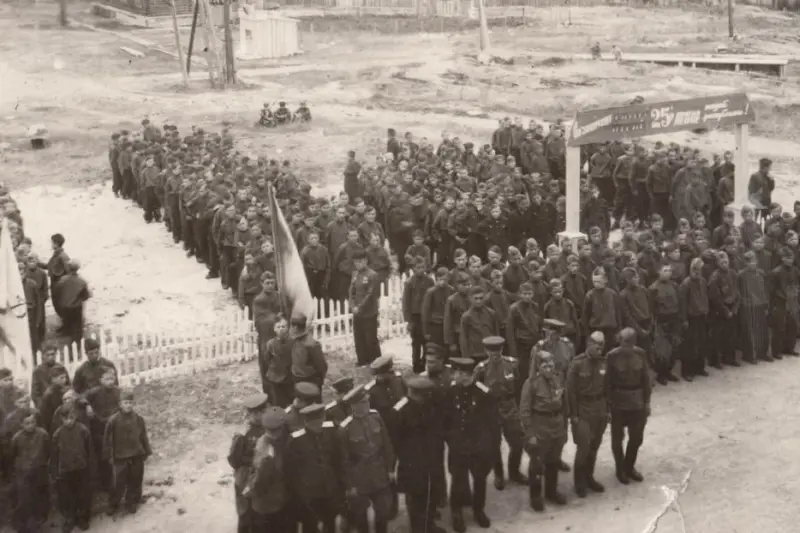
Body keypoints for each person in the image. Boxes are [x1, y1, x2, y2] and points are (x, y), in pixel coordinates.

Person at [444, 357, 497, 533]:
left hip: (478, 446)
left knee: (480, 479)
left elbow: (492, 423)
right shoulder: (449, 393)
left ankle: (478, 510)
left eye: (467, 373)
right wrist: (451, 439)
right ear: (455, 374)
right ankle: (456, 512)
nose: (463, 377)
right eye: (460, 373)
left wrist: (491, 447)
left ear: (473, 374)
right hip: (458, 446)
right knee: (458, 480)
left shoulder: (484, 393)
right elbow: (445, 421)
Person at [339, 385, 396, 533]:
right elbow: (344, 461)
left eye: (367, 402)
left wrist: (390, 469)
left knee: (383, 513)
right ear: (353, 406)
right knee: (360, 517)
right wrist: (350, 485)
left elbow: (387, 445)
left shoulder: (376, 417)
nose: (366, 406)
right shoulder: (345, 428)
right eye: (362, 403)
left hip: (379, 472)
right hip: (360, 477)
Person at [393, 375, 446, 533]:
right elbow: (394, 440)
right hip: (411, 464)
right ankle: (417, 529)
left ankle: (428, 526)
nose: (426, 398)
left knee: (431, 494)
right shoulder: (400, 410)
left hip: (431, 459)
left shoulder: (429, 406)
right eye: (424, 395)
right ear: (415, 393)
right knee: (415, 499)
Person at [473, 336, 526, 491]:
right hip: (492, 408)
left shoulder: (512, 364)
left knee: (517, 442)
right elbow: (476, 389)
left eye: (498, 351)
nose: (495, 354)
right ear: (486, 351)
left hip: (510, 406)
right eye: (492, 351)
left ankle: (514, 472)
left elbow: (518, 384)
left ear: (502, 350)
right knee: (494, 444)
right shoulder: (481, 369)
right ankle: (499, 475)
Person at [519, 350, 568, 512]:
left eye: (551, 364)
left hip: (557, 426)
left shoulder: (558, 379)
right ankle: (535, 496)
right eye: (544, 364)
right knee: (537, 464)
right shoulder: (531, 383)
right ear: (538, 366)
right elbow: (525, 411)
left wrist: (564, 429)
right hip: (540, 427)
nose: (548, 367)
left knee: (553, 461)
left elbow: (564, 405)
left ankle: (551, 492)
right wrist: (530, 434)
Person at [284, 404, 342, 533]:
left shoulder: (330, 430)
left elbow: (337, 459)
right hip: (309, 494)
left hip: (329, 488)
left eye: (320, 421)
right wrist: (298, 494)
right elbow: (290, 472)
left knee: (330, 522)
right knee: (310, 525)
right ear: (305, 422)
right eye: (313, 423)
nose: (318, 426)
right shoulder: (296, 440)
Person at [605, 328, 651, 485]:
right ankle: (620, 469)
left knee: (637, 438)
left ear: (634, 343)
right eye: (623, 342)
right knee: (617, 439)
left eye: (629, 343)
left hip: (637, 401)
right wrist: (608, 406)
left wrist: (647, 403)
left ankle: (629, 466)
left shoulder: (641, 354)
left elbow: (646, 380)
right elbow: (607, 384)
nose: (626, 346)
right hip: (618, 402)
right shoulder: (612, 356)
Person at [566, 331, 608, 498]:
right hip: (583, 411)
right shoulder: (577, 364)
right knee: (583, 448)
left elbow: (607, 389)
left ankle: (589, 477)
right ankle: (579, 483)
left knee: (594, 447)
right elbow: (570, 392)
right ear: (588, 344)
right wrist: (574, 416)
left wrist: (607, 411)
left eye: (602, 345)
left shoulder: (604, 363)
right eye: (596, 344)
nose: (599, 348)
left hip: (599, 409)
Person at [103, 389, 152, 515]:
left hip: (136, 454)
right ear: (120, 404)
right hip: (120, 457)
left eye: (130, 403)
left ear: (133, 404)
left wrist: (146, 451)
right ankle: (113, 504)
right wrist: (109, 456)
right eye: (125, 403)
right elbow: (107, 440)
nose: (128, 405)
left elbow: (143, 436)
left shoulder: (138, 419)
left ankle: (131, 502)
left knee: (135, 480)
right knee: (118, 482)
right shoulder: (113, 421)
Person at [229, 392, 269, 533]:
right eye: (261, 412)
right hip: (245, 478)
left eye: (265, 410)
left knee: (261, 513)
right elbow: (234, 460)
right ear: (253, 414)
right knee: (246, 514)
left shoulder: (268, 427)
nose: (264, 414)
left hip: (262, 477)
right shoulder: (243, 434)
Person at [247, 406, 291, 533]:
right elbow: (260, 482)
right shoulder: (268, 453)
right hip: (269, 505)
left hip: (269, 503)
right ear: (280, 429)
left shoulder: (265, 440)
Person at [51, 406, 94, 532]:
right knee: (66, 497)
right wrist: (55, 473)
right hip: (65, 471)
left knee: (83, 494)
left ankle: (82, 518)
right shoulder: (57, 434)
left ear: (75, 416)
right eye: (65, 419)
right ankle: (69, 519)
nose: (69, 421)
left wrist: (90, 468)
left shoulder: (83, 430)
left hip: (81, 469)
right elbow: (54, 455)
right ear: (61, 419)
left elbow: (90, 451)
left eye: (71, 418)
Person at [9, 410, 50, 533]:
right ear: (21, 424)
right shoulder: (17, 438)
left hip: (39, 471)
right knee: (25, 499)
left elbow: (48, 450)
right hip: (23, 473)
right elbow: (13, 454)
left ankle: (38, 523)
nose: (30, 425)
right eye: (27, 423)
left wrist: (43, 463)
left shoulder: (43, 434)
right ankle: (24, 525)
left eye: (33, 422)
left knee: (39, 497)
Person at [350, 247, 382, 367]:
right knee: (359, 338)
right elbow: (351, 292)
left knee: (370, 339)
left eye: (360, 261)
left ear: (366, 261)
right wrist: (352, 306)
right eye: (356, 262)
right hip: (357, 312)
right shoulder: (355, 274)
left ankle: (376, 362)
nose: (358, 264)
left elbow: (370, 294)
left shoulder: (372, 275)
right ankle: (362, 360)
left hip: (369, 312)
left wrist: (360, 307)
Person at [403, 257, 435, 373]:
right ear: (413, 269)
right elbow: (406, 302)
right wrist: (409, 320)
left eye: (423, 267)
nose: (421, 270)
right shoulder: (409, 282)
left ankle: (425, 362)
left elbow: (433, 298)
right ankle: (416, 365)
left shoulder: (430, 281)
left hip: (427, 316)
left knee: (427, 342)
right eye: (418, 268)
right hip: (415, 317)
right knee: (416, 343)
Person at [260, 316, 294, 407]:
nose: (281, 329)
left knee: (291, 399)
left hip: (290, 376)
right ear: (274, 329)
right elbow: (267, 358)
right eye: (278, 327)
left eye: (283, 326)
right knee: (278, 400)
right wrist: (275, 366)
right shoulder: (270, 343)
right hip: (275, 376)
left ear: (288, 328)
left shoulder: (293, 342)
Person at [290, 315, 327, 391]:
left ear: (295, 328)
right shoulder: (294, 340)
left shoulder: (311, 344)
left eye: (291, 326)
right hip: (297, 378)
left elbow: (322, 366)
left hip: (310, 380)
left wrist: (318, 382)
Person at [30, 340, 69, 409]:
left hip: (61, 403)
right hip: (46, 405)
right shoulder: (37, 371)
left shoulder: (61, 368)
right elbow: (35, 394)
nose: (51, 357)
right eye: (48, 355)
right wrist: (42, 407)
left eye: (53, 354)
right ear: (43, 356)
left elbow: (68, 385)